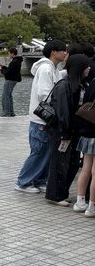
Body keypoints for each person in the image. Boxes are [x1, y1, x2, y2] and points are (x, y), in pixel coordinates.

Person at [15, 39, 67, 194]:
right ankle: (23, 182)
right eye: (63, 50)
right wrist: (58, 105)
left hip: (44, 119)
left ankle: (39, 180)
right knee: (38, 151)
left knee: (45, 151)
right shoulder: (45, 69)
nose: (65, 53)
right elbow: (44, 93)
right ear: (53, 52)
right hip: (41, 119)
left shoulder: (52, 68)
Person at [44, 54, 92, 206]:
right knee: (59, 162)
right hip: (62, 131)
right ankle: (54, 195)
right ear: (79, 68)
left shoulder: (82, 84)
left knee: (71, 162)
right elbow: (62, 111)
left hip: (73, 131)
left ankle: (62, 193)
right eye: (86, 66)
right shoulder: (64, 85)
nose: (89, 68)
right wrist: (65, 132)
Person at [74, 67, 95, 217]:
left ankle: (80, 202)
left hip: (88, 132)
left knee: (86, 169)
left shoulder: (92, 82)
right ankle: (92, 207)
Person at [0, 47, 23, 116]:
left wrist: (0, 69)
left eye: (9, 53)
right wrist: (3, 67)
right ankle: (11, 112)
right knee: (9, 95)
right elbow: (10, 70)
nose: (8, 55)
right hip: (14, 80)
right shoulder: (17, 61)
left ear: (12, 53)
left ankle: (6, 112)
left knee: (5, 96)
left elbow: (7, 73)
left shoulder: (14, 62)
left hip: (10, 80)